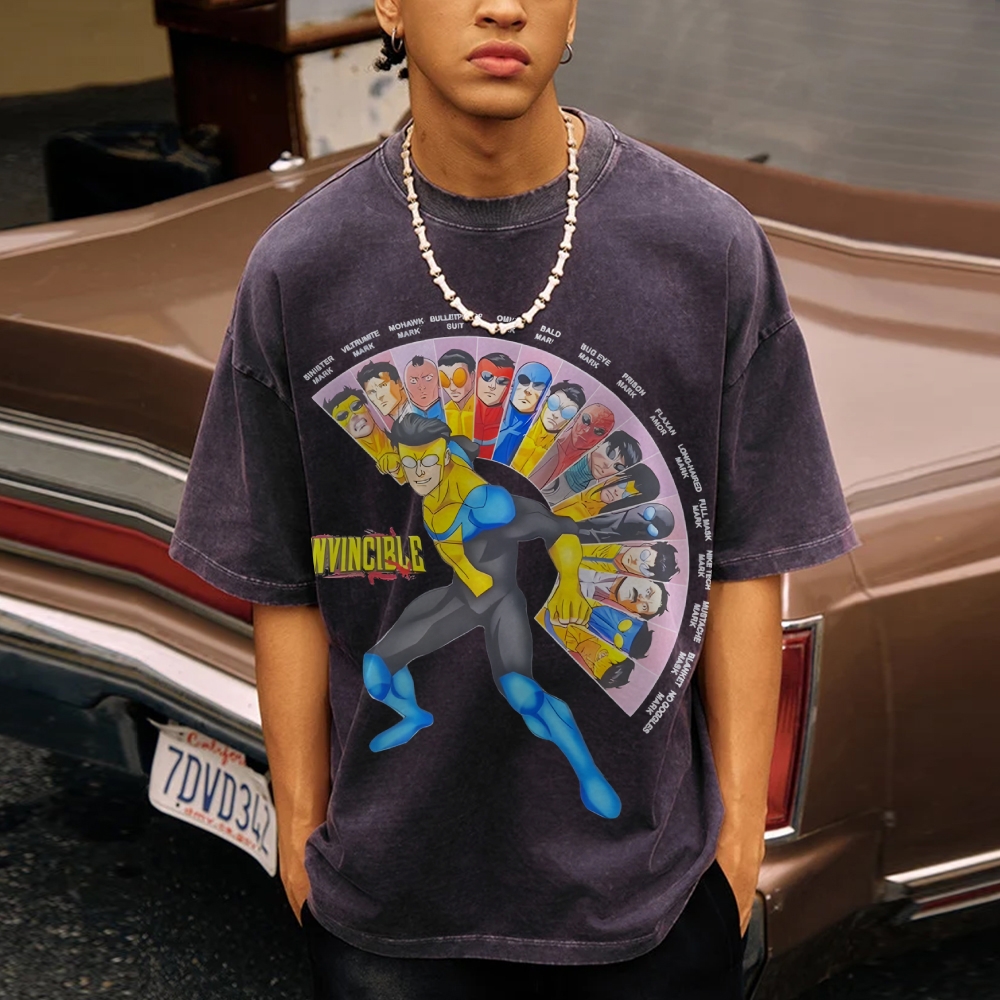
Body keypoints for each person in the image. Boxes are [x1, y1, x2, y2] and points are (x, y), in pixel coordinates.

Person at [168, 0, 858, 996]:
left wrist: (736, 850)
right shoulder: (303, 268)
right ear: (390, 6)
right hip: (386, 916)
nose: (502, 5)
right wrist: (302, 838)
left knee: (529, 697)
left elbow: (749, 558)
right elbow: (287, 581)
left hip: (649, 909)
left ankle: (586, 773)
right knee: (397, 662)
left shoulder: (704, 248)